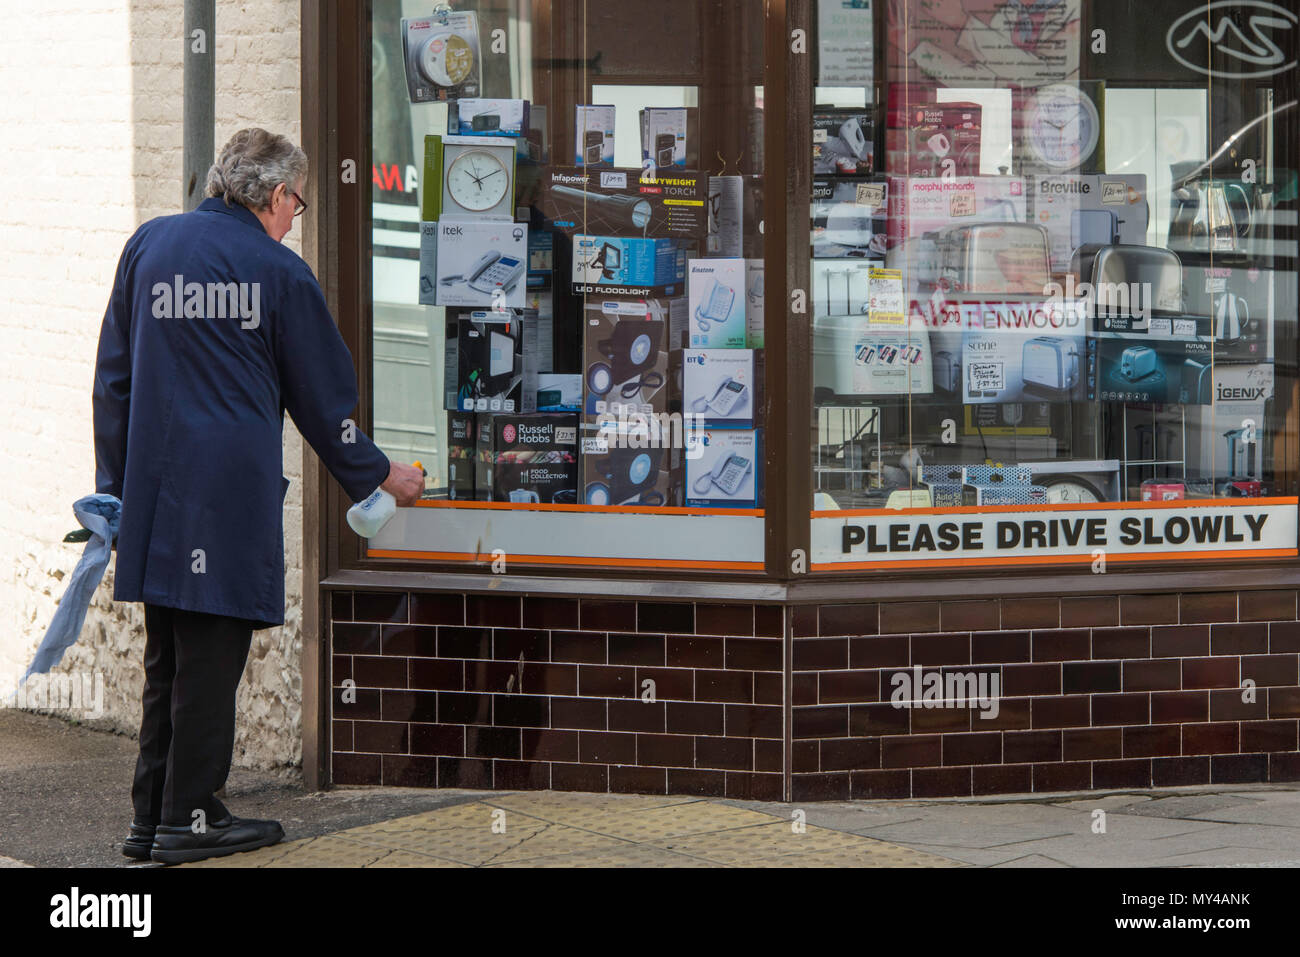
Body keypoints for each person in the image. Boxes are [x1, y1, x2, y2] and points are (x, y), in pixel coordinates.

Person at [92, 128, 424, 865]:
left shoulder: (149, 246)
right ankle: (190, 819)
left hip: (153, 495)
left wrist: (111, 493)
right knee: (210, 660)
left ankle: (152, 816)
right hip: (225, 499)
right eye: (296, 206)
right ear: (275, 196)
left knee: (169, 657)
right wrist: (377, 473)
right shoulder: (276, 272)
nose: (293, 219)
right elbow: (322, 398)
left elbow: (113, 380)